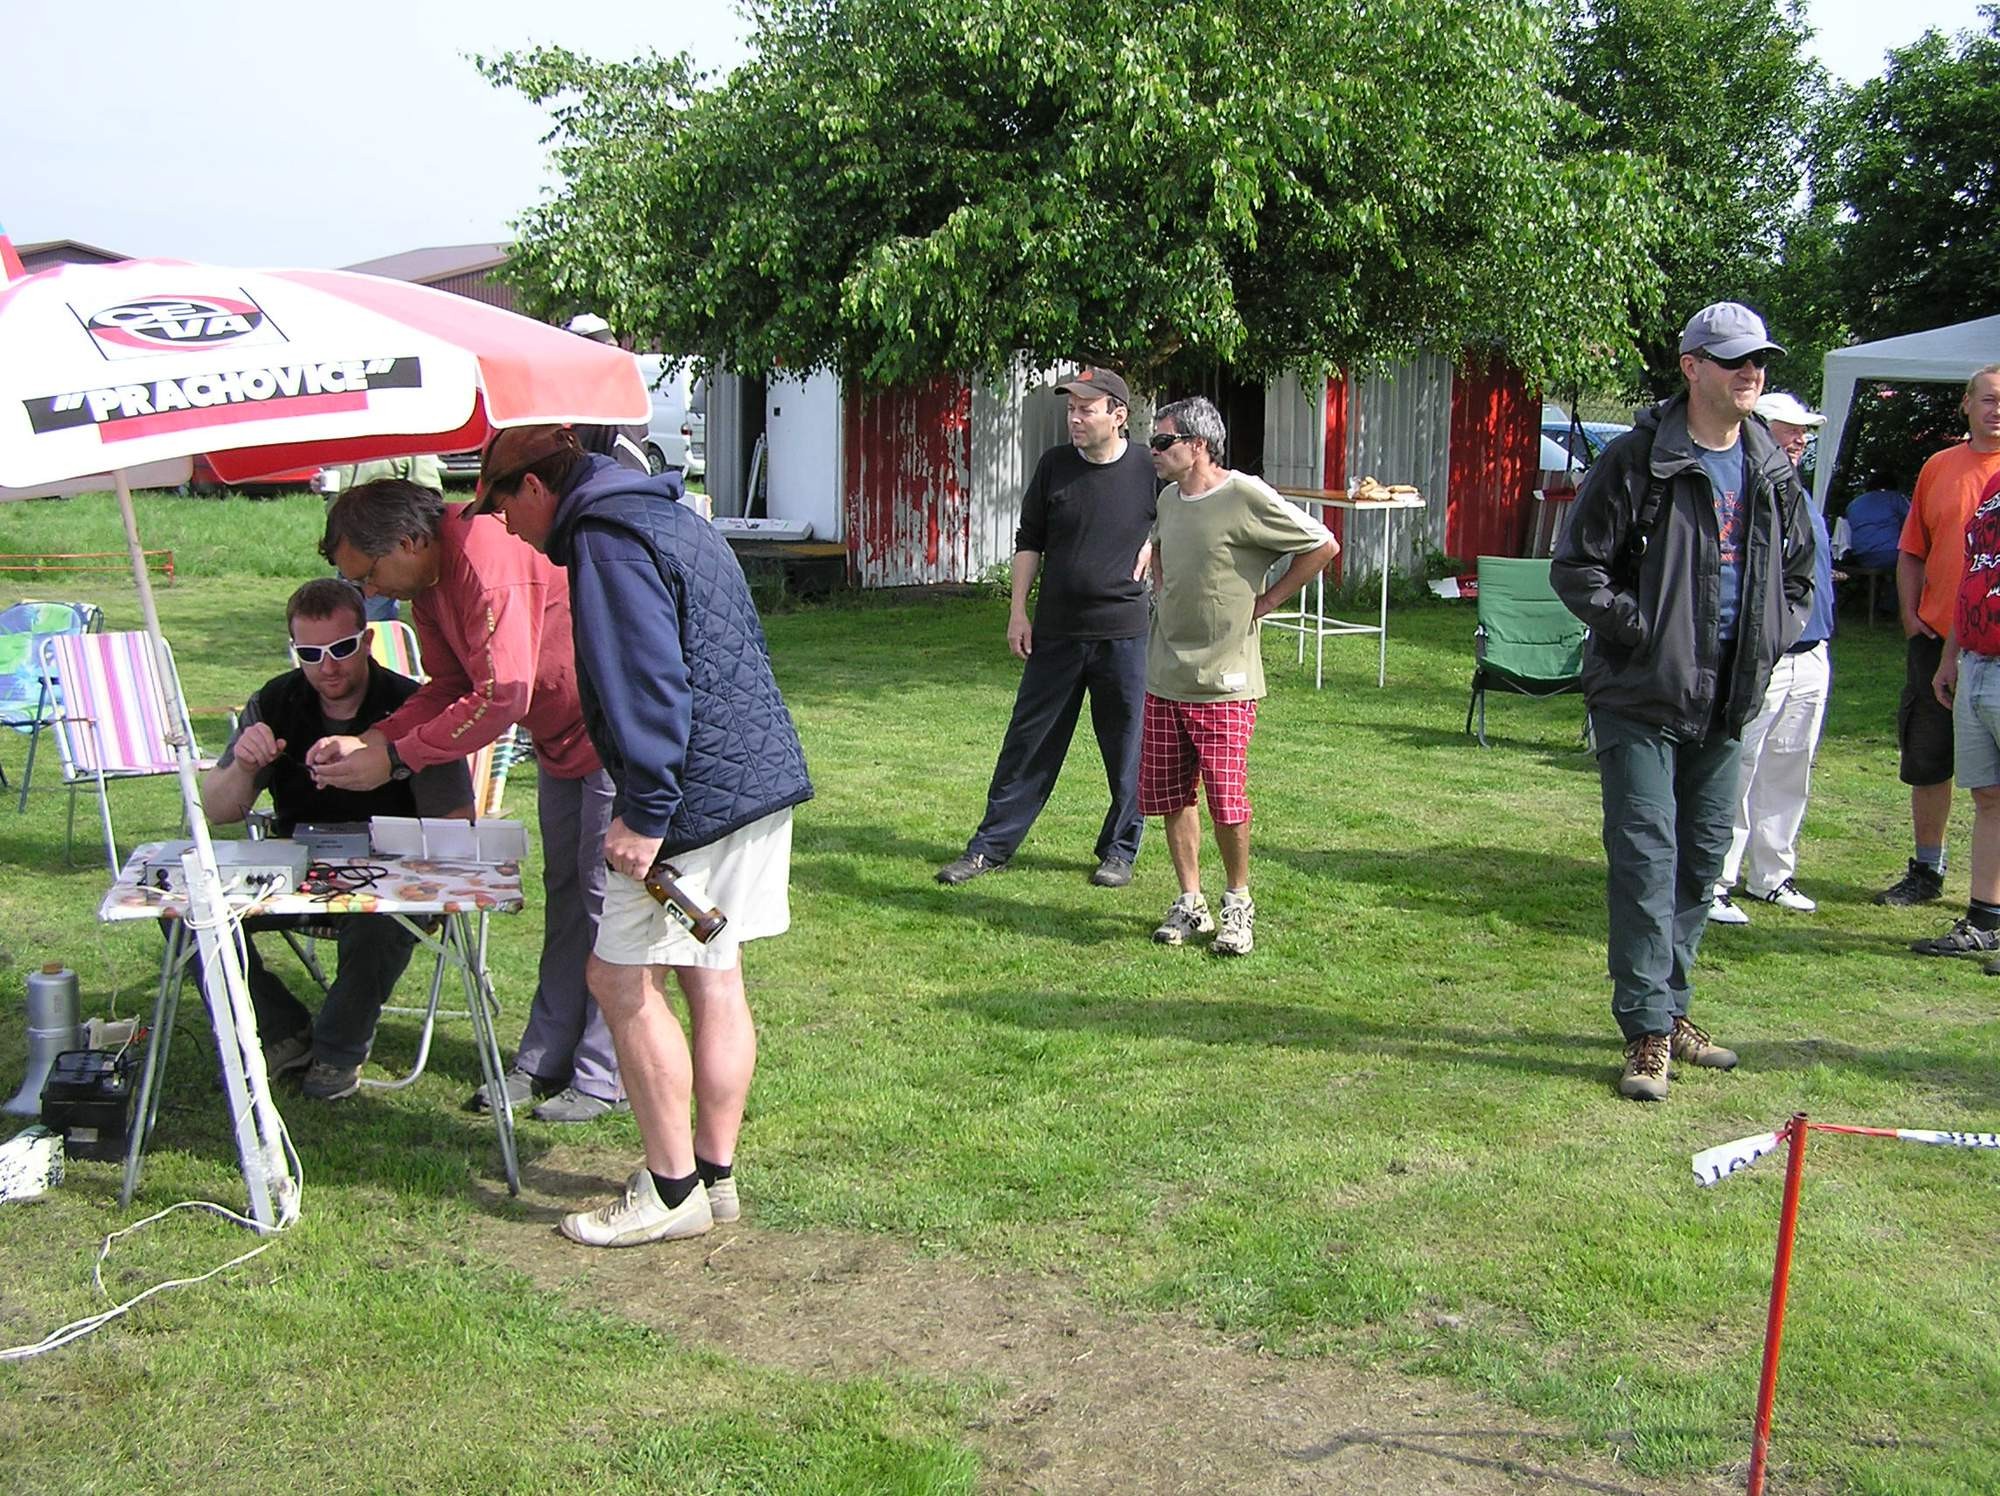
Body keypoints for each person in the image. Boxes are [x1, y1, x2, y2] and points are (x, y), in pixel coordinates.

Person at [471, 424, 813, 1247]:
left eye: (501, 509)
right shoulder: (671, 514)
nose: (505, 528)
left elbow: (651, 680)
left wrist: (647, 813)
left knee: (619, 979)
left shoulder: (606, 539)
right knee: (715, 974)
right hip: (755, 780)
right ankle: (714, 1178)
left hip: (693, 799)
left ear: (534, 487)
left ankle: (670, 1191)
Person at [1552, 302, 1814, 1102]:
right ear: (1692, 366)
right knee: (1646, 859)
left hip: (1727, 700)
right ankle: (1646, 1031)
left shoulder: (1770, 466)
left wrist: (1770, 636)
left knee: (1702, 864)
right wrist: (1644, 632)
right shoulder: (1637, 459)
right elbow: (1577, 567)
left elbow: (1801, 574)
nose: (1751, 373)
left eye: (1759, 360)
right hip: (1640, 695)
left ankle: (1670, 1008)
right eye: (1734, 360)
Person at [309, 478, 627, 1124]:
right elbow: (448, 685)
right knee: (567, 893)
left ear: (408, 541)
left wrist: (397, 758)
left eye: (367, 575)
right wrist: (372, 739)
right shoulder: (427, 584)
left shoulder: (481, 555)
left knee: (606, 899)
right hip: (562, 737)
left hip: (613, 732)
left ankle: (603, 1073)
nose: (368, 593)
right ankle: (545, 1057)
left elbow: (503, 693)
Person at [197, 579, 473, 1101]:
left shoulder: (410, 706)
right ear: (294, 651)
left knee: (379, 921)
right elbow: (217, 810)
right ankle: (280, 1030)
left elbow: (455, 822)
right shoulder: (276, 701)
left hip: (389, 874)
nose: (328, 666)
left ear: (367, 641)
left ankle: (337, 1051)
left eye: (342, 648)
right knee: (190, 915)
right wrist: (245, 765)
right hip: (294, 871)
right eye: (310, 654)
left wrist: (389, 771)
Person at [935, 367, 1157, 889]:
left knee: (1128, 749)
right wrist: (1018, 611)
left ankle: (1119, 851)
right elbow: (1029, 540)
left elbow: (1189, 507)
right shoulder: (1054, 466)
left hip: (1124, 634)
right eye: (1070, 409)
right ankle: (989, 848)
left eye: (1086, 410)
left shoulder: (1149, 468)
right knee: (1027, 743)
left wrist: (1157, 541)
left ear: (1118, 415)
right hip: (1057, 632)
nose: (1074, 419)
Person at [1140, 395, 1337, 956]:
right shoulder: (1169, 498)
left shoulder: (1245, 494)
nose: (1153, 450)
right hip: (1165, 675)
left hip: (1225, 683)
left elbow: (1323, 545)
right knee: (1172, 796)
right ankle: (1190, 902)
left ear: (1198, 445)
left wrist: (1267, 601)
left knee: (1226, 800)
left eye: (1163, 441)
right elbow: (1162, 545)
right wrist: (1158, 581)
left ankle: (1237, 905)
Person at [1873, 365, 2000, 907]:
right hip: (1938, 640)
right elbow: (1912, 549)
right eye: (1988, 399)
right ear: (1966, 404)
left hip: (1994, 648)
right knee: (1928, 757)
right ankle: (1927, 869)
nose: (1998, 409)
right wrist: (1910, 615)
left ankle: (1989, 895)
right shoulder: (1939, 467)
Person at [1709, 391, 1835, 924]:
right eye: (1790, 429)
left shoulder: (1797, 492)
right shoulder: (1747, 490)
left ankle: (1771, 876)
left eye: (1804, 431)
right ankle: (1715, 880)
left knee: (1789, 767)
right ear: (1760, 428)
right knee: (1738, 766)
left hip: (1812, 652)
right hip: (1765, 654)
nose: (1800, 439)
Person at [1912, 466, 2000, 965]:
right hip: (1977, 660)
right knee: (1989, 796)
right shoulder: (1992, 488)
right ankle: (1986, 920)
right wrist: (1951, 655)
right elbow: (1973, 573)